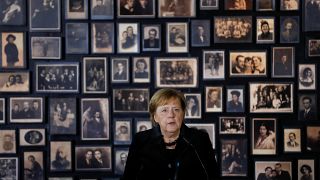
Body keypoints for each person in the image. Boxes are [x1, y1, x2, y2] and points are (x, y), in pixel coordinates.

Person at [122, 88, 219, 179]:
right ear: (155, 117)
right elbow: (128, 177)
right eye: (164, 110)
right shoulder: (140, 140)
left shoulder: (200, 139)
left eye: (176, 109)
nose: (171, 115)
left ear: (183, 114)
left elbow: (213, 176)